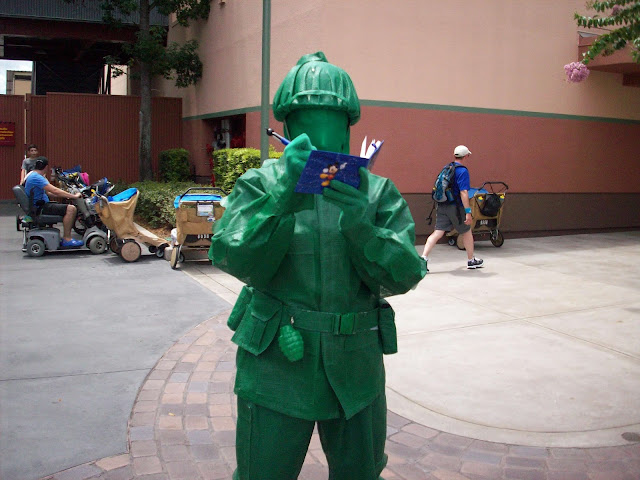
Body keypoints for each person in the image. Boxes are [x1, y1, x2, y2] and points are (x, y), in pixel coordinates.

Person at [209, 52, 426, 480]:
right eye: (307, 117)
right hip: (275, 363)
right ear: (287, 126)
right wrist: (281, 197)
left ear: (348, 125)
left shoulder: (377, 191)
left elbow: (404, 274)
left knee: (361, 473)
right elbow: (231, 256)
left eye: (331, 118)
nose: (321, 128)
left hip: (355, 366)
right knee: (262, 473)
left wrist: (362, 224)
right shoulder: (261, 183)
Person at [421, 145, 483, 270]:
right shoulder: (462, 171)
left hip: (442, 204)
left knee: (438, 232)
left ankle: (423, 259)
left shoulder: (447, 168)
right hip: (456, 207)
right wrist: (468, 212)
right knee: (466, 231)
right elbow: (464, 192)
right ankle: (471, 260)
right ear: (466, 156)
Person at [23, 156, 84, 247]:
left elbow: (49, 193)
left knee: (65, 206)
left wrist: (66, 195)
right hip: (41, 208)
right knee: (71, 209)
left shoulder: (32, 175)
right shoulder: (37, 178)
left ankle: (66, 238)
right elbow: (54, 190)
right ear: (46, 167)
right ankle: (67, 238)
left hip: (39, 206)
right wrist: (73, 196)